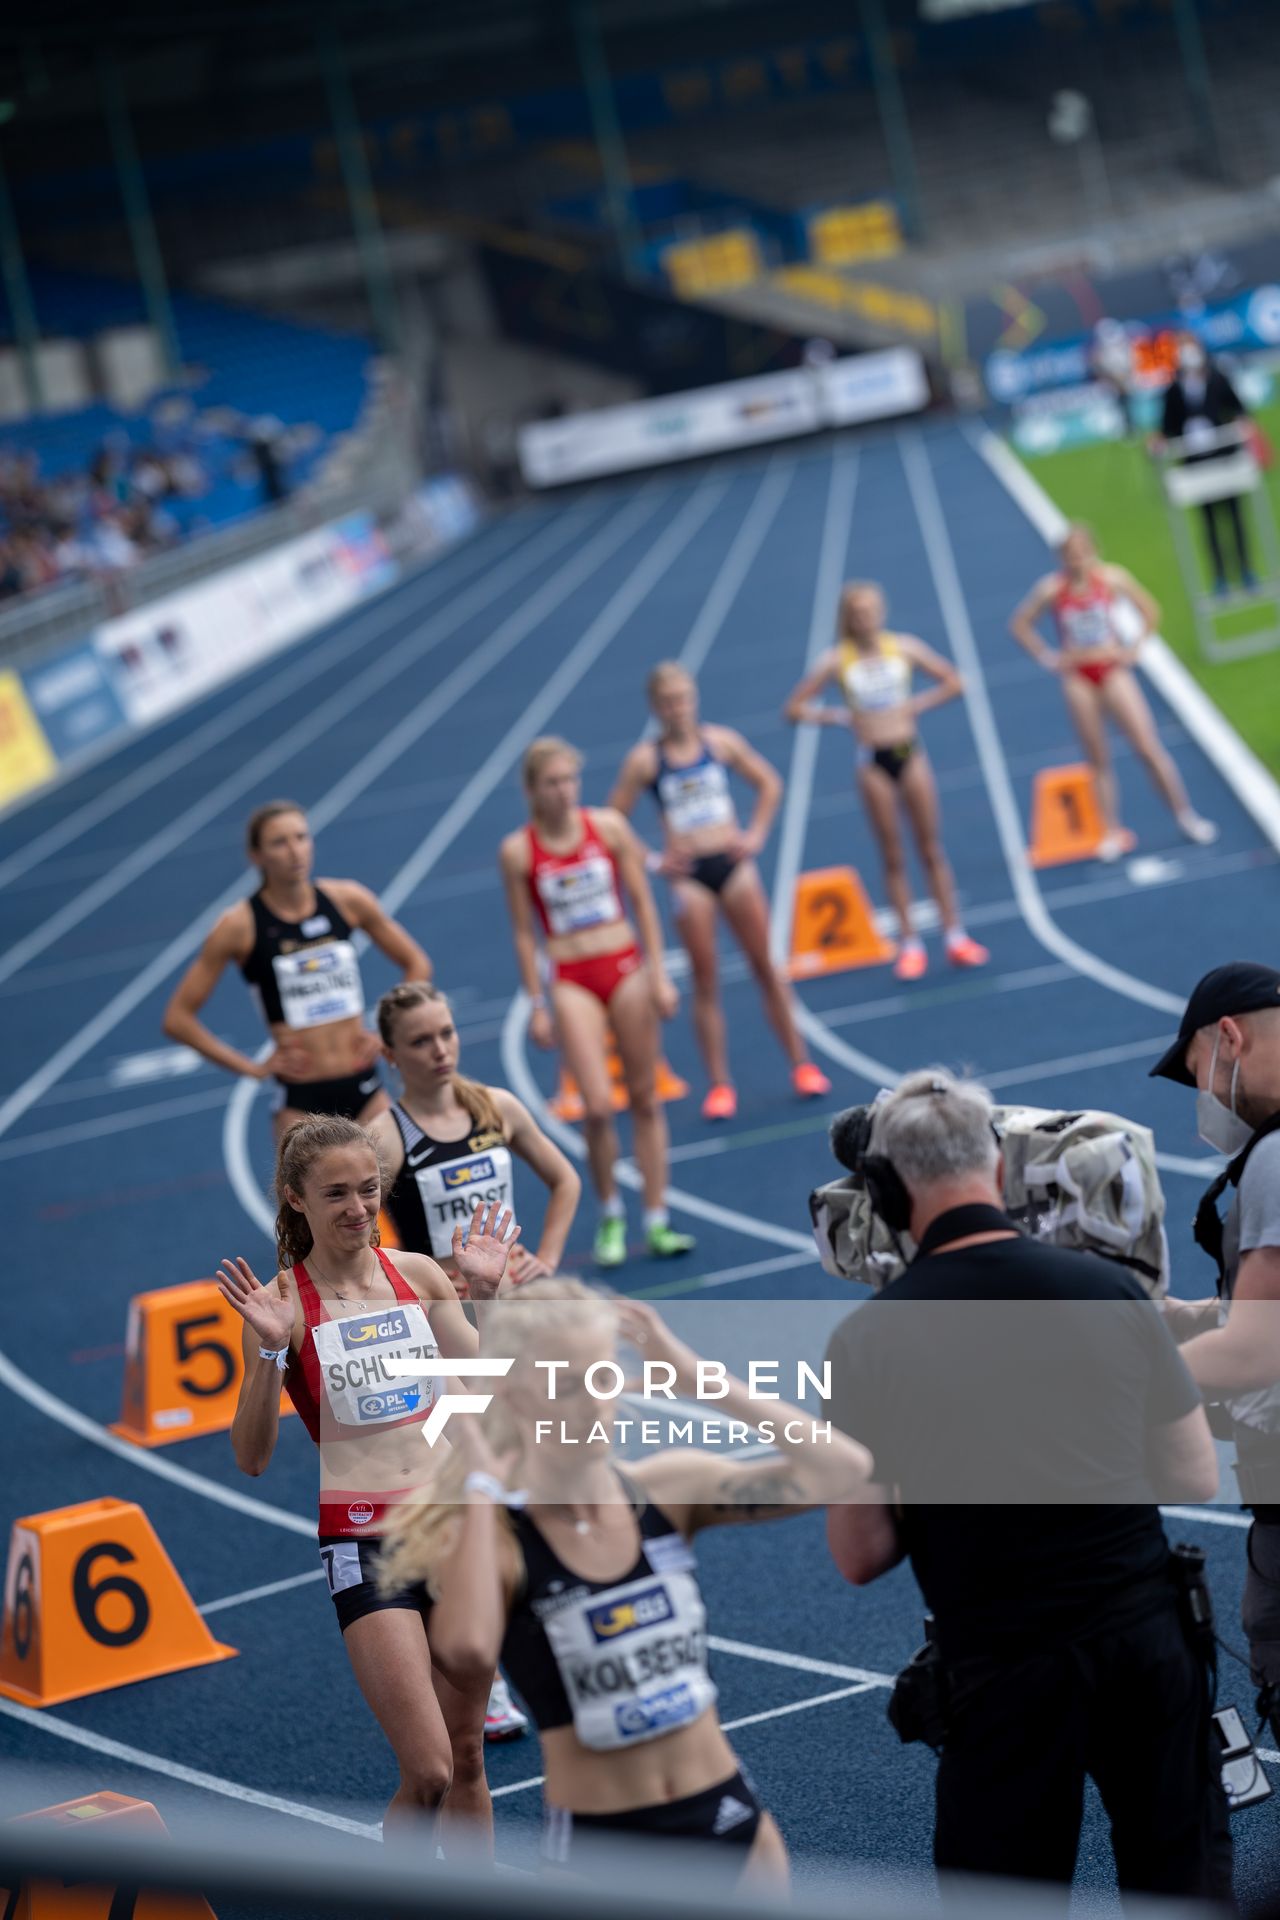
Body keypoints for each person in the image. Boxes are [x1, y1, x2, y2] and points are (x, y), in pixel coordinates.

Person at [823, 1070, 1232, 1900]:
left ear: (891, 1192)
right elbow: (1193, 1470)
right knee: (1182, 1883)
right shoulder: (1112, 1289)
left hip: (1003, 1665)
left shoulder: (865, 1342)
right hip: (1144, 1641)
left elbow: (859, 1554)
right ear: (1002, 1166)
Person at [377, 1277, 873, 1879]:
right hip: (605, 1858)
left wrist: (696, 1379)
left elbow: (844, 1471)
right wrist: (481, 1486)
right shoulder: (495, 1537)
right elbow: (467, 1647)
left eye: (603, 1377)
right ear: (511, 1398)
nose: (592, 1403)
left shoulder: (667, 1490)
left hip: (729, 1822)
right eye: (565, 1385)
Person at [215, 1115, 520, 1839]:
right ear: (295, 1199)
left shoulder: (416, 1275)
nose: (357, 1209)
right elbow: (251, 1458)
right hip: (364, 1542)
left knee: (470, 1756)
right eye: (335, 1195)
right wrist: (267, 1354)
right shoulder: (283, 1305)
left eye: (368, 1189)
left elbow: (490, 1390)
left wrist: (487, 1297)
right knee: (429, 1771)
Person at [498, 737, 694, 1269]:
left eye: (570, 781)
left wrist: (659, 973)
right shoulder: (519, 851)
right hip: (570, 976)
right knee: (599, 1108)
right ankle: (611, 1212)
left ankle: (657, 1217)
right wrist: (536, 1002)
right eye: (552, 783)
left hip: (623, 965)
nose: (564, 792)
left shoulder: (606, 827)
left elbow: (642, 901)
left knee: (646, 1098)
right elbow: (522, 932)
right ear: (532, 789)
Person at [608, 663, 831, 1121]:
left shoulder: (721, 742)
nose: (676, 708)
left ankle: (802, 1064)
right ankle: (719, 1085)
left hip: (733, 865)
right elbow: (611, 821)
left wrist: (757, 833)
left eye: (683, 698)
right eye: (667, 701)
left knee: (767, 968)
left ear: (694, 699)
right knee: (705, 981)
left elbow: (770, 782)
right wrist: (653, 859)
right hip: (689, 875)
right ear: (655, 707)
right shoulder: (646, 761)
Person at [1151, 961, 1280, 1744]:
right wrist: (1174, 1319)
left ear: (1227, 1037)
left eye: (1197, 1075)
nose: (1204, 1100)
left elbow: (1256, 1351)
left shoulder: (1272, 1156)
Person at [163, 800, 430, 1138]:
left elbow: (417, 963)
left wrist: (385, 1033)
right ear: (256, 856)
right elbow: (177, 1019)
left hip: (365, 1085)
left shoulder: (347, 900)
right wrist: (252, 1068)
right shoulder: (239, 925)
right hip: (301, 1100)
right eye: (279, 842)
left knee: (396, 1189)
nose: (295, 851)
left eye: (301, 837)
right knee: (299, 1193)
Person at [783, 582, 989, 983]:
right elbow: (794, 708)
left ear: (881, 611)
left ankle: (955, 935)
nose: (864, 618)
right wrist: (839, 717)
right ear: (847, 617)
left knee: (930, 847)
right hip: (872, 761)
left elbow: (954, 680)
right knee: (893, 854)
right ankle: (910, 943)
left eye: (870, 610)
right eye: (856, 612)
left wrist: (916, 705)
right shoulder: (836, 660)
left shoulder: (904, 648)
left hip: (909, 751)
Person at [1010, 526, 1218, 861]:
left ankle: (1185, 815)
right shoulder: (1051, 588)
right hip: (1078, 675)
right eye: (1070, 552)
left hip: (1112, 669)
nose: (1077, 557)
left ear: (1093, 549)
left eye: (1082, 549)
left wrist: (1133, 648)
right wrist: (1047, 656)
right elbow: (1020, 624)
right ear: (1062, 556)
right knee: (1097, 757)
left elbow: (1150, 610)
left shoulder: (1111, 579)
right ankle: (1109, 830)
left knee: (1147, 747)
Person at [370, 981, 582, 1290]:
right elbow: (346, 1234)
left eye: (446, 1033)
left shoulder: (497, 1108)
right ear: (390, 1053)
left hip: (516, 1294)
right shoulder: (385, 1136)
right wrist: (406, 1283)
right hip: (451, 1311)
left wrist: (547, 1258)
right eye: (420, 1042)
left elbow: (566, 1181)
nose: (440, 1051)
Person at [1155, 337, 1255, 596]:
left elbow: (1239, 409)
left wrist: (1243, 424)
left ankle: (1246, 570)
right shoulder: (1173, 389)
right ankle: (1220, 577)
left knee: (1235, 517)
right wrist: (1159, 440)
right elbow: (1167, 425)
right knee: (1209, 524)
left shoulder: (1218, 379)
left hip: (1224, 457)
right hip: (1195, 463)